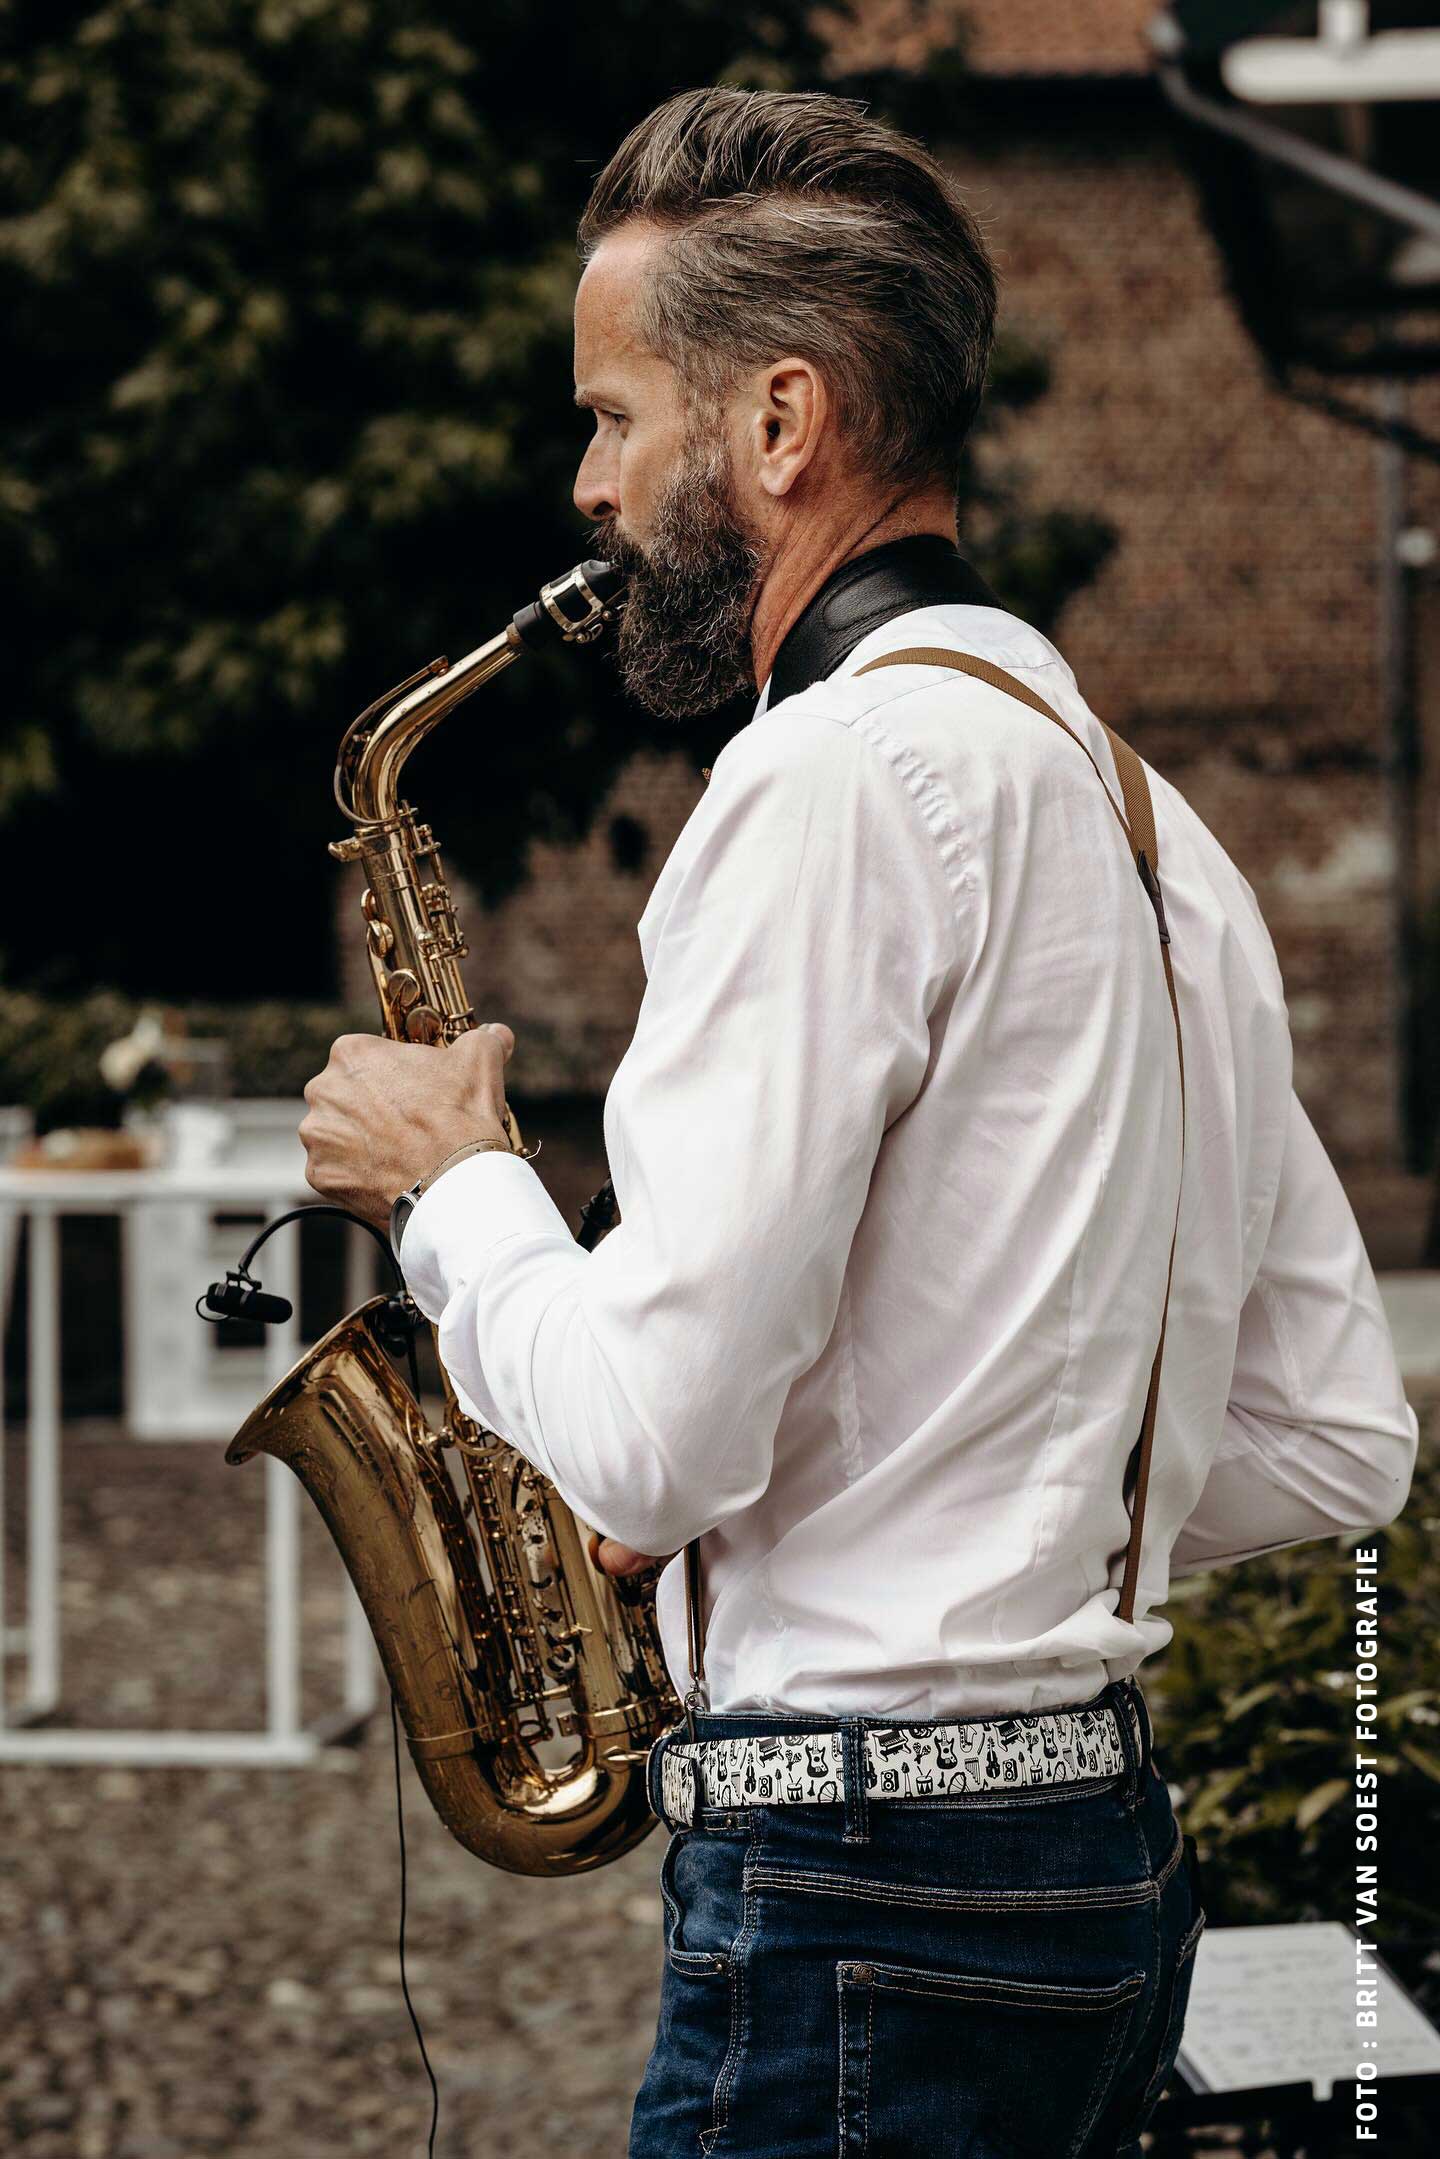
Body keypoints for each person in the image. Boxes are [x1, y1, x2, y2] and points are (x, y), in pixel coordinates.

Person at [298, 87, 1419, 2159]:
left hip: (862, 1896)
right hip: (1095, 1869)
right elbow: (1341, 1438)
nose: (588, 483)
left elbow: (651, 1443)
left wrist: (451, 1188)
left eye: (616, 417)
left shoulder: (826, 789)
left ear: (782, 424)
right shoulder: (1155, 826)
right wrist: (981, 1514)